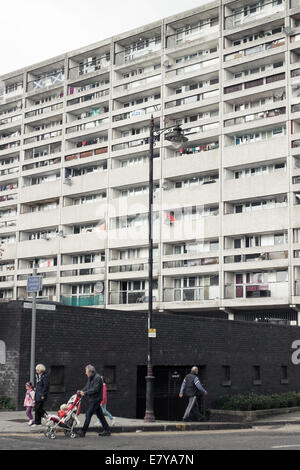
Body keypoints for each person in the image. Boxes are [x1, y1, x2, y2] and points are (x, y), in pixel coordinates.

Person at [77, 365, 111, 437]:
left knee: (88, 414)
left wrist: (85, 393)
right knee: (100, 415)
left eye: (86, 372)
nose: (85, 373)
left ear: (90, 372)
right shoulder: (90, 378)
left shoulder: (97, 378)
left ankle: (83, 431)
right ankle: (107, 430)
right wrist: (81, 391)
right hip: (93, 399)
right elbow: (87, 387)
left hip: (96, 399)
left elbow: (95, 389)